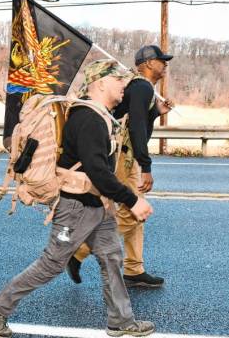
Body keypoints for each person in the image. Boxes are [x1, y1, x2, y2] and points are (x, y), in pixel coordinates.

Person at [0, 59, 155, 338]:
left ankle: (121, 321)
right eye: (119, 80)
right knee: (51, 264)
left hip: (98, 205)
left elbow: (101, 169)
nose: (125, 85)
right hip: (76, 208)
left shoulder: (100, 115)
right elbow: (98, 172)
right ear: (100, 83)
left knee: (111, 257)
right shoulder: (88, 119)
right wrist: (132, 200)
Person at [68, 45, 174, 288]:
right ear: (147, 64)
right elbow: (136, 127)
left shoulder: (139, 88)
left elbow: (133, 120)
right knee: (134, 211)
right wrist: (146, 166)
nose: (165, 64)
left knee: (135, 212)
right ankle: (79, 252)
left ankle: (134, 269)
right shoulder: (143, 87)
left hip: (126, 156)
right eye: (161, 60)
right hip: (126, 159)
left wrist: (157, 112)